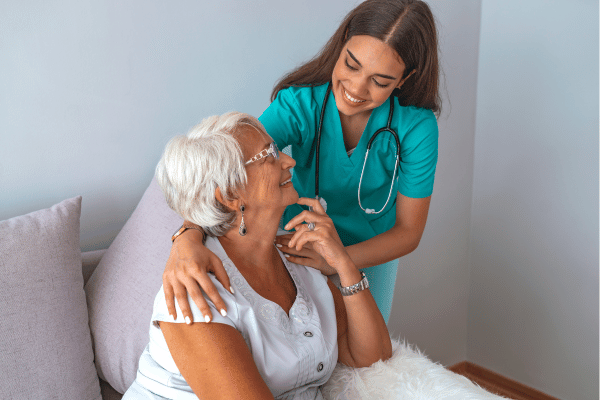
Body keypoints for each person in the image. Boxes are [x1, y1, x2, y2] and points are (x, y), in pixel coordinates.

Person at [162, 0, 440, 324]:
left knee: (368, 359)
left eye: (379, 81)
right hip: (297, 244)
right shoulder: (300, 104)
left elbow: (409, 231)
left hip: (369, 255)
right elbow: (228, 169)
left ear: (405, 78)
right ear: (344, 38)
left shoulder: (416, 128)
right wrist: (187, 237)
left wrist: (339, 260)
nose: (356, 88)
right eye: (351, 65)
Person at [122, 112, 392, 399]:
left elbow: (371, 356)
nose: (290, 161)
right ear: (229, 195)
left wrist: (343, 264)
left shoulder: (296, 256)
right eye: (270, 155)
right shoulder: (196, 291)